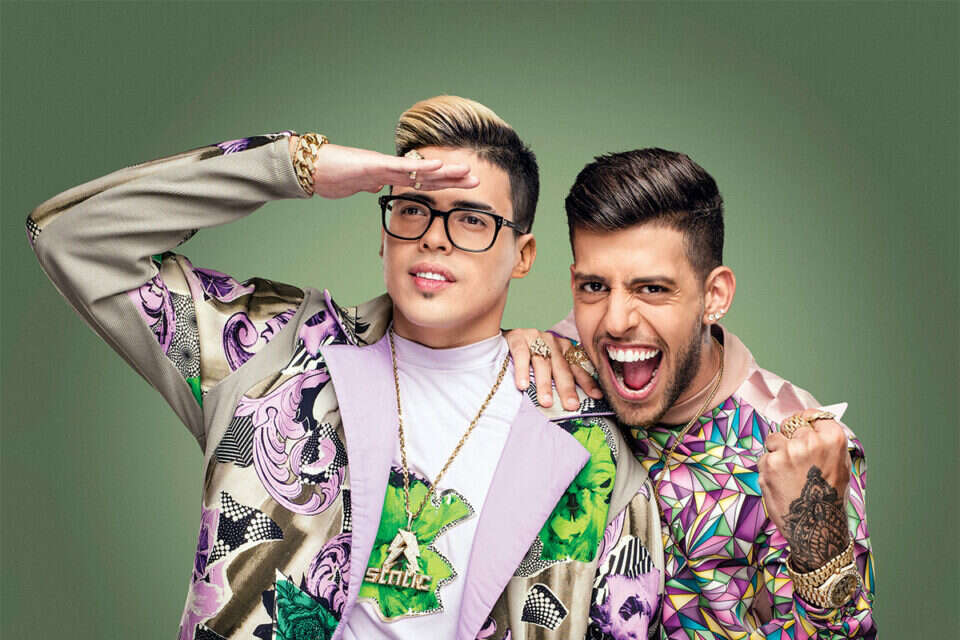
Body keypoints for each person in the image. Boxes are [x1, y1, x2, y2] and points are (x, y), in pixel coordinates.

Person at [26, 97, 663, 640]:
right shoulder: (273, 351)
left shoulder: (587, 438)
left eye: (471, 219)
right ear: (383, 233)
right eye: (411, 208)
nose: (434, 236)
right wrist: (296, 165)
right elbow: (72, 238)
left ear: (522, 255)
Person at [510, 148, 877, 639]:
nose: (616, 321)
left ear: (714, 296)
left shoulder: (796, 447)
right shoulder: (558, 369)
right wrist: (503, 346)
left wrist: (819, 544)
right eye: (595, 287)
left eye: (653, 289)